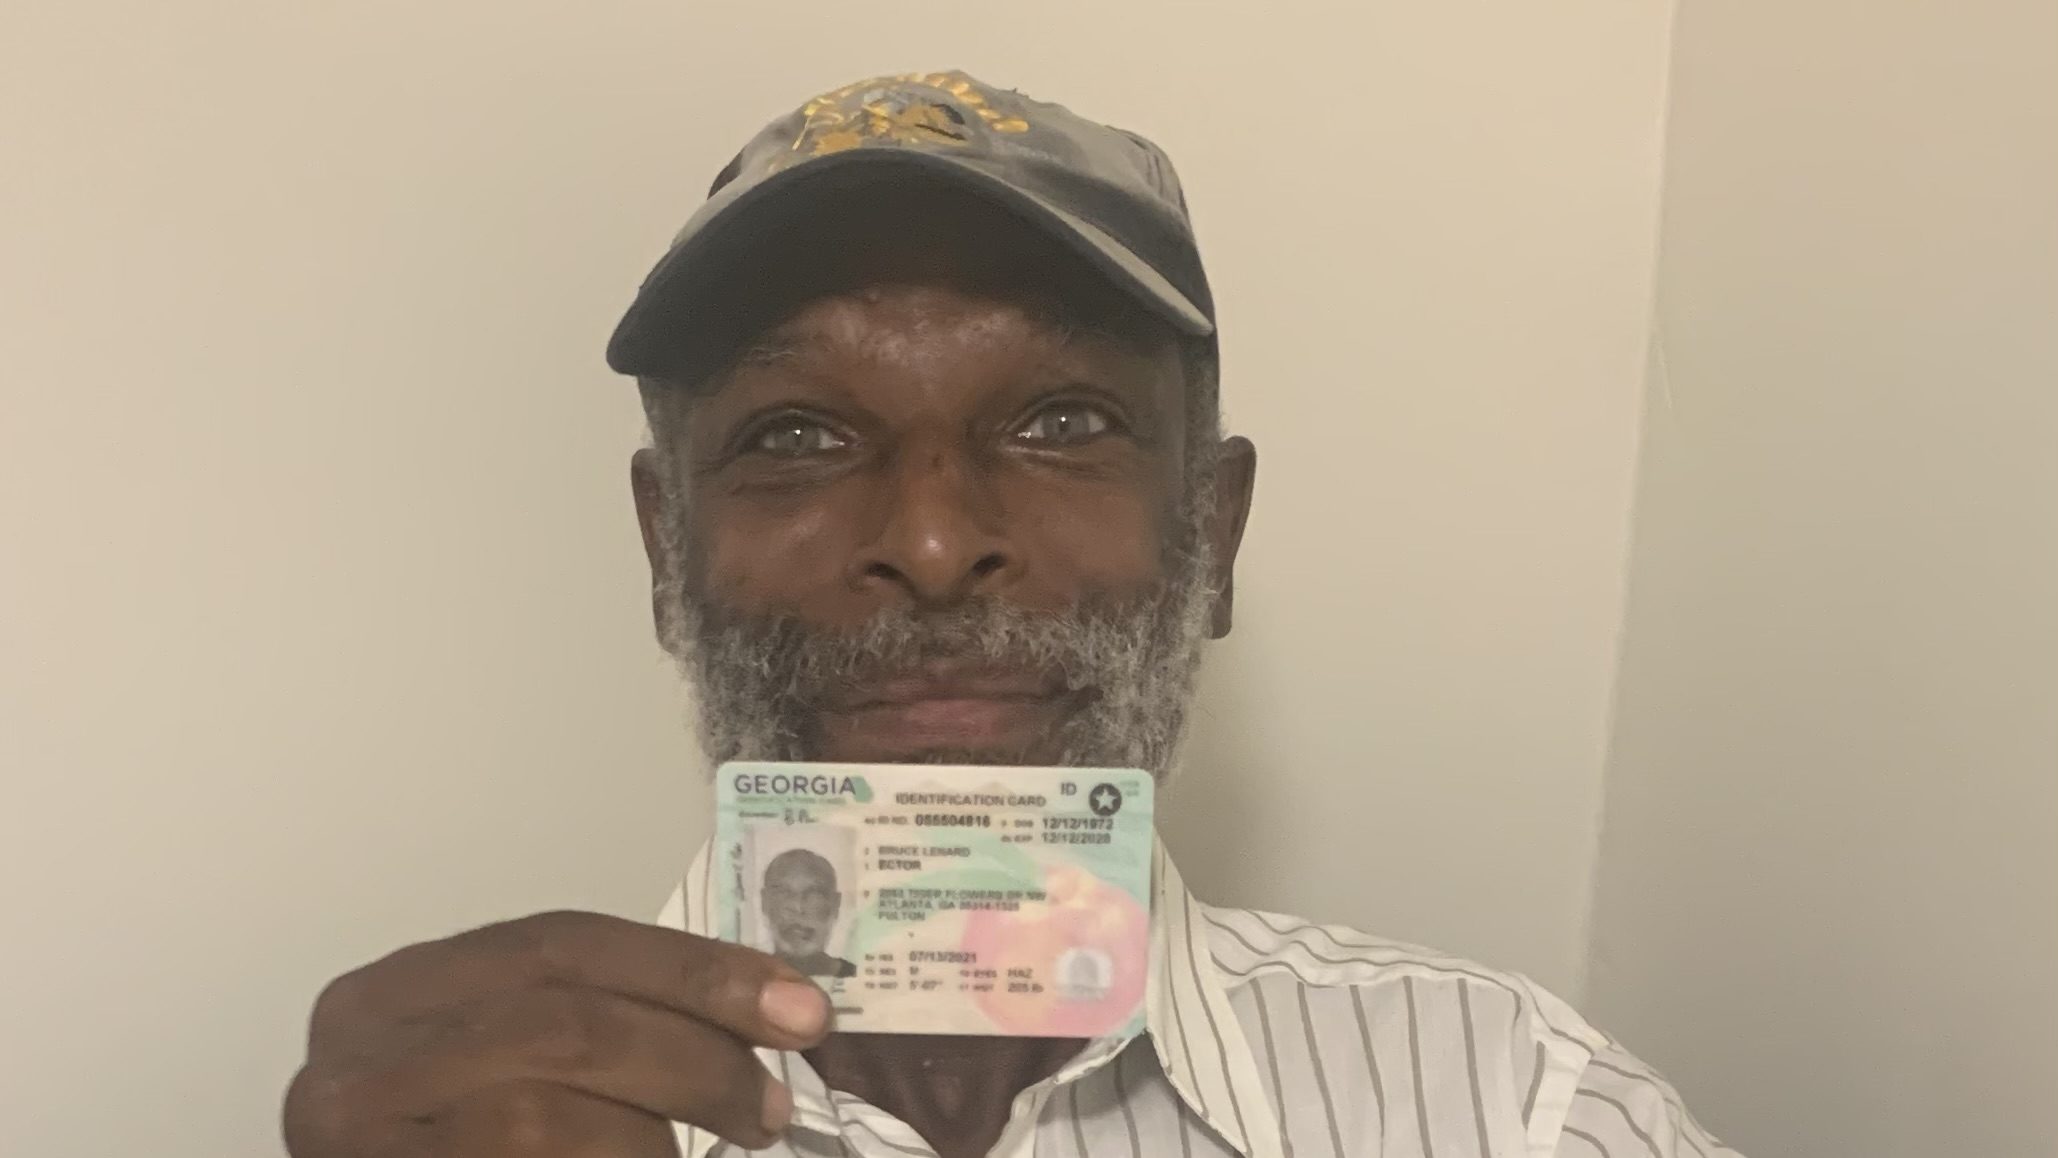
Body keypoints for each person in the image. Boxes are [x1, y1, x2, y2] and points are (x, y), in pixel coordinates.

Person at [283, 71, 1743, 1158]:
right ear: (668, 552)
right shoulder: (458, 1116)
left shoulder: (1521, 1109)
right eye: (796, 435)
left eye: (1062, 421)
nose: (930, 543)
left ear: (1213, 537)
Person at [758, 848, 855, 980]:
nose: (798, 907)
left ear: (835, 904)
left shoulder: (864, 978)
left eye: (814, 893)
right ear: (765, 902)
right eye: (783, 892)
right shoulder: (744, 982)